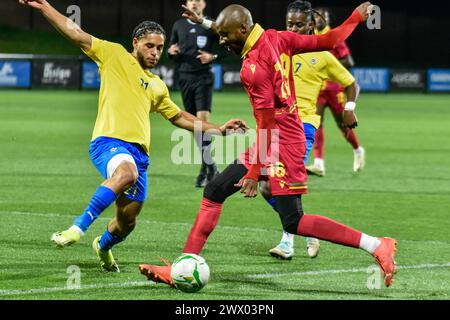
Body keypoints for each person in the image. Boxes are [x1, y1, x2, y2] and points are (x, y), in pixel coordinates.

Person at [139, 3, 398, 288]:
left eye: (225, 36)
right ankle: (182, 267)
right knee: (215, 190)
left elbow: (265, 126)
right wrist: (356, 18)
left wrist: (252, 173)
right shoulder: (276, 37)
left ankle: (377, 245)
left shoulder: (253, 68)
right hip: (282, 135)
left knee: (293, 221)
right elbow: (330, 40)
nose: (222, 41)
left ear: (242, 30)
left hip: (282, 141)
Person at [19, 0, 247, 272]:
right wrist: (44, 7)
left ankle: (102, 246)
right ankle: (77, 228)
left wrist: (219, 129)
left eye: (160, 48)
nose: (155, 52)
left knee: (127, 222)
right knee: (127, 174)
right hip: (108, 143)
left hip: (140, 157)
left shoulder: (157, 86)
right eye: (149, 46)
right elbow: (75, 33)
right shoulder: (113, 54)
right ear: (136, 42)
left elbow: (180, 117)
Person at [265, 0, 360, 261]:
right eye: (289, 24)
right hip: (277, 126)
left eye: (299, 24)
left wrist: (349, 107)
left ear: (311, 24)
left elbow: (352, 83)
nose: (293, 28)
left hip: (303, 126)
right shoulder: (279, 47)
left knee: (284, 186)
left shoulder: (324, 56)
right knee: (265, 186)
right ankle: (306, 230)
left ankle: (287, 242)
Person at [168, 0, 228, 187]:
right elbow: (170, 50)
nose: (194, 3)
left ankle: (206, 170)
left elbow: (227, 48)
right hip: (185, 78)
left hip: (204, 78)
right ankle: (210, 167)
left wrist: (213, 57)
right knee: (194, 126)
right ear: (186, 3)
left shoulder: (211, 26)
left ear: (204, 4)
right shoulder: (178, 25)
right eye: (191, 0)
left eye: (198, 0)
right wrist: (171, 51)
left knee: (202, 121)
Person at [306, 7, 365, 177]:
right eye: (317, 16)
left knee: (343, 125)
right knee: (316, 123)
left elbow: (349, 61)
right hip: (318, 89)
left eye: (323, 16)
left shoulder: (333, 37)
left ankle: (357, 149)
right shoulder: (311, 36)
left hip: (335, 89)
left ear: (327, 19)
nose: (320, 19)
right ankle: (319, 163)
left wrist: (330, 67)